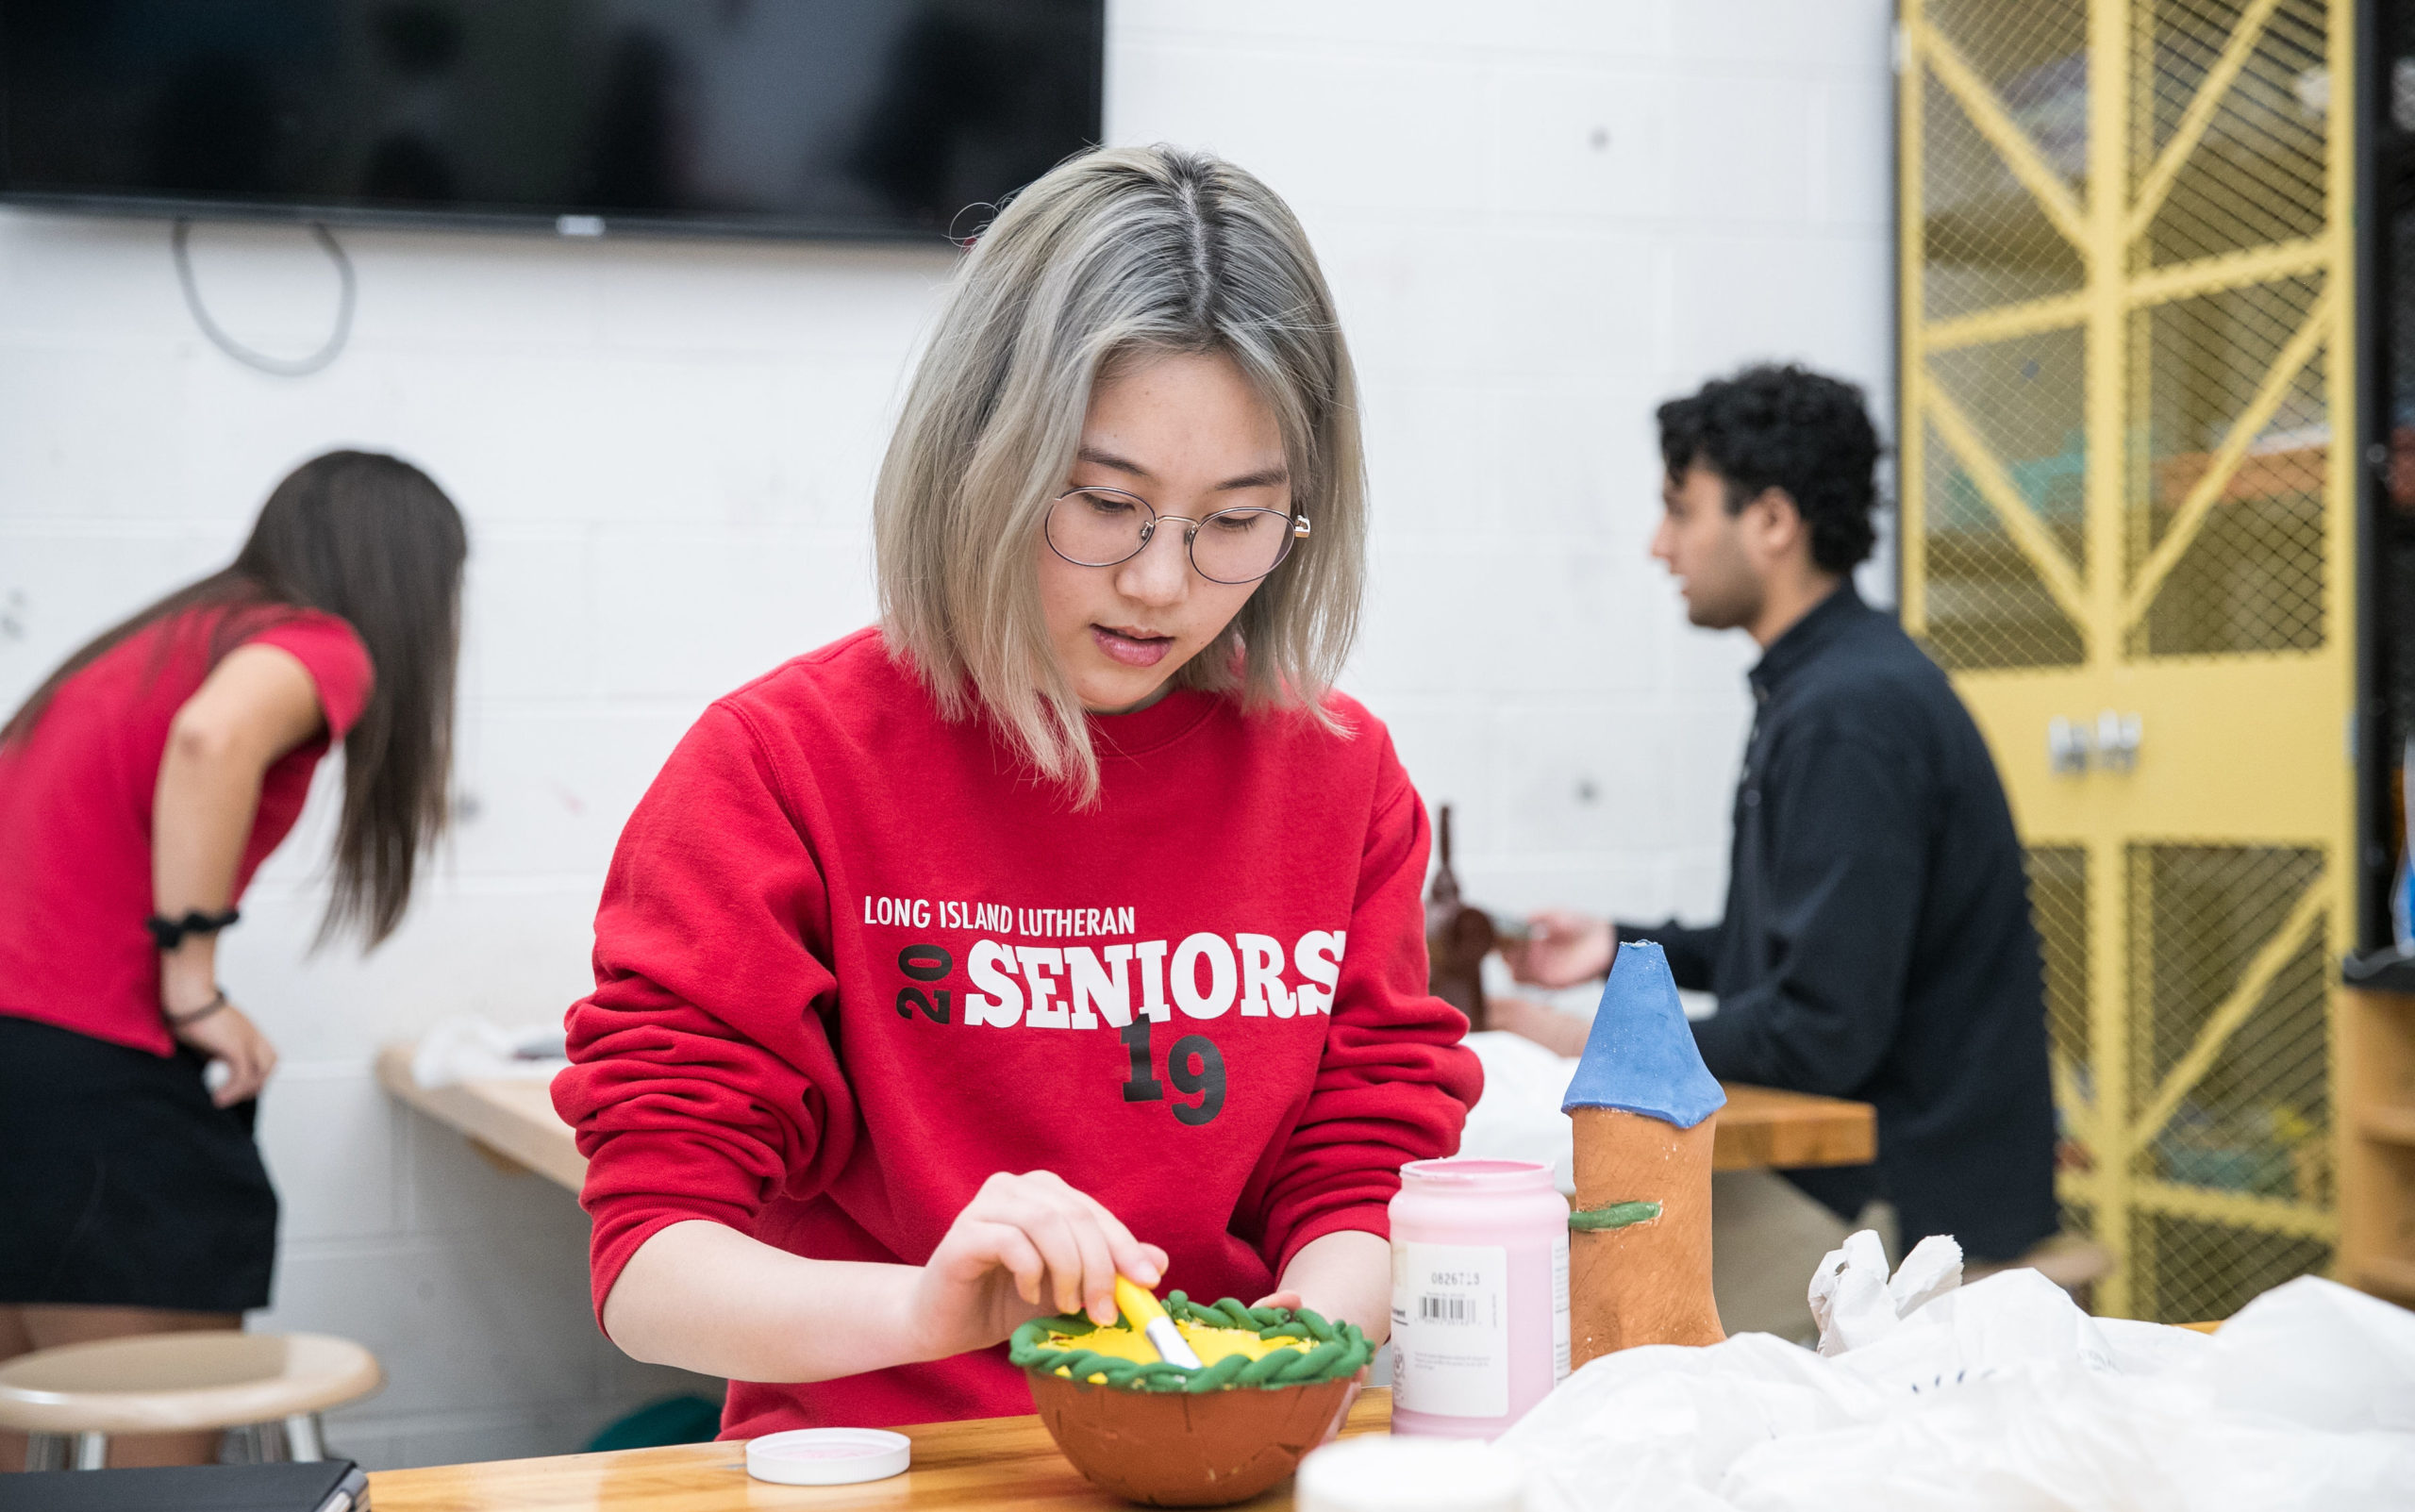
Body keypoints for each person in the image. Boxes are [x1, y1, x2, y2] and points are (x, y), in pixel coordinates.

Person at [556, 145, 1480, 1437]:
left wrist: (1274, 1360)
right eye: (1105, 504)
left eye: (1237, 520)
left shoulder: (1342, 776)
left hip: (1223, 1463)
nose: (1163, 582)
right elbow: (652, 1260)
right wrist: (923, 1310)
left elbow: (1359, 1173)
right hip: (885, 1475)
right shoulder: (781, 765)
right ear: (978, 459)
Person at [1506, 363, 2058, 1284]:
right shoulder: (1830, 686)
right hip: (1872, 1178)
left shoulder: (1850, 713)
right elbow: (1810, 949)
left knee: (1589, 1289)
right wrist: (1618, 948)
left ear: (1769, 522)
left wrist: (1576, 1041)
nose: (1658, 545)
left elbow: (1819, 1031)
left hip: (1904, 1210)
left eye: (1680, 510)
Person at [0, 450, 467, 1466]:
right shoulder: (316, 642)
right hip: (80, 1069)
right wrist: (190, 978)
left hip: (25, 1055)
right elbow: (214, 740)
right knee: (162, 1482)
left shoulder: (163, 640)